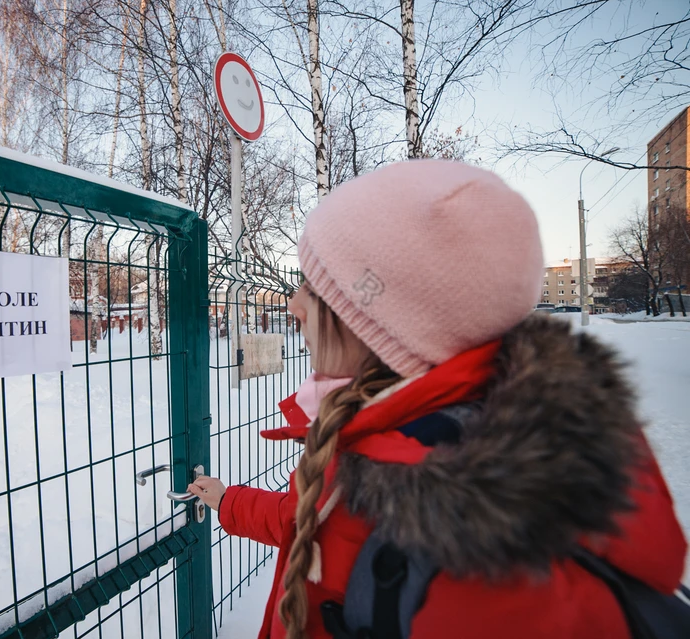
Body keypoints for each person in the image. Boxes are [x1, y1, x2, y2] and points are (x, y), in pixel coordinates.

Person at [188, 160, 687, 639]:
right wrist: (228, 499)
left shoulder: (466, 544)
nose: (293, 304)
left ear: (382, 326)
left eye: (315, 287)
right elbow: (318, 523)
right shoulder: (395, 449)